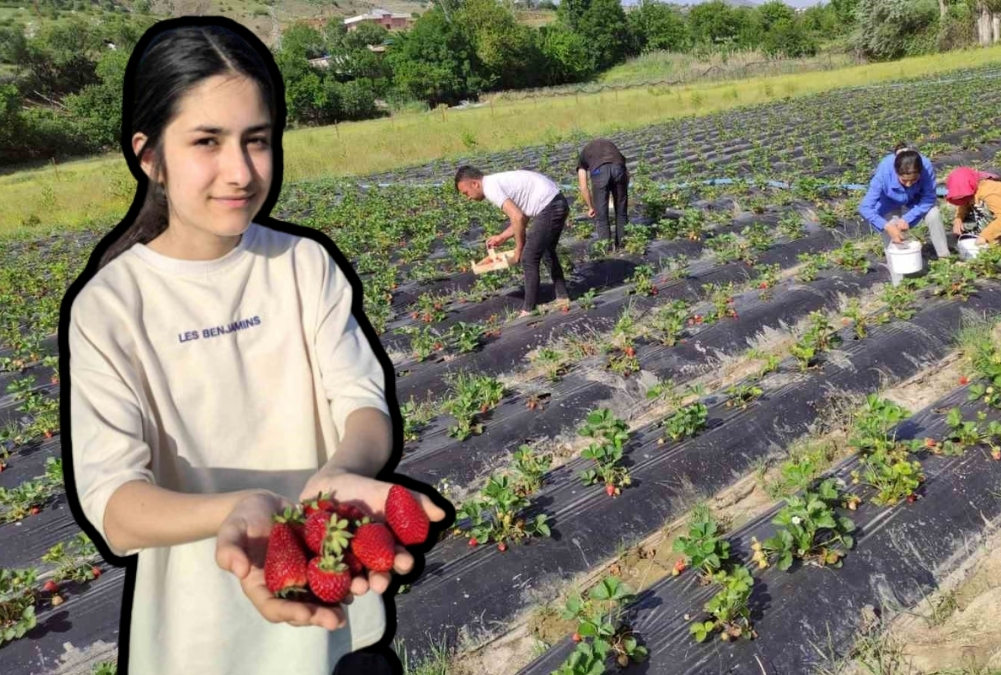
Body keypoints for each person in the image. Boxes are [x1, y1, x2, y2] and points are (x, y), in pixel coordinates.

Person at [61, 20, 446, 675]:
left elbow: (362, 402)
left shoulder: (303, 264)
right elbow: (115, 507)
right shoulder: (112, 306)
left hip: (338, 616)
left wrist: (340, 471)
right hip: (204, 640)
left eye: (257, 141)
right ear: (148, 156)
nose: (239, 171)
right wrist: (237, 511)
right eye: (206, 141)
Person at [455, 165, 570, 318]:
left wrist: (518, 249)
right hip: (556, 202)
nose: (468, 197)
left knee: (528, 257)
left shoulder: (491, 188)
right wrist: (502, 236)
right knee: (546, 250)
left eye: (466, 193)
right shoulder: (495, 182)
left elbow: (518, 217)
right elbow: (522, 215)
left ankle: (528, 310)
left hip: (551, 206)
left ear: (475, 184)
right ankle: (562, 297)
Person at [858, 143, 951, 285]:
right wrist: (887, 226)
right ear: (896, 173)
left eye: (914, 180)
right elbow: (865, 207)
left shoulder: (925, 167)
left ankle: (945, 261)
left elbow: (928, 198)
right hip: (888, 201)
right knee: (891, 236)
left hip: (915, 199)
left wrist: (908, 218)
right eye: (904, 180)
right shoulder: (884, 174)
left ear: (920, 172)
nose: (909, 184)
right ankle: (899, 283)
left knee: (934, 213)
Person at [945, 166, 1001, 244]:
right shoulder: (973, 190)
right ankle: (987, 231)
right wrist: (958, 219)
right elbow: (964, 203)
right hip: (999, 214)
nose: (962, 199)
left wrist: (985, 237)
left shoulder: (990, 193)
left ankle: (999, 236)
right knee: (966, 225)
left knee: (981, 211)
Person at [576, 138, 629, 251]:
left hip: (599, 172)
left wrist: (591, 207)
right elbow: (626, 172)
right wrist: (623, 190)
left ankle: (607, 250)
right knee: (621, 213)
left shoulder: (583, 155)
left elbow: (584, 186)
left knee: (602, 216)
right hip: (619, 169)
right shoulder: (611, 147)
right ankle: (623, 246)